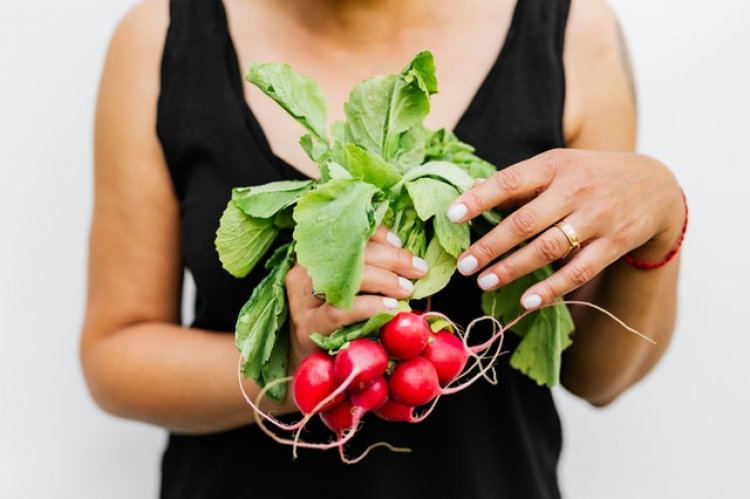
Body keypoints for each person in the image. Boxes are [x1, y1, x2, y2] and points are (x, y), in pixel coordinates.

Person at [80, 0, 684, 497]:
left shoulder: (577, 34)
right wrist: (290, 362)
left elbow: (598, 377)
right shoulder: (159, 39)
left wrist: (662, 220)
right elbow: (116, 356)